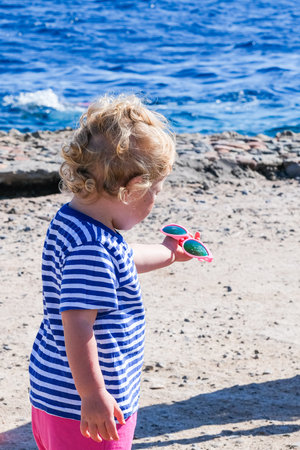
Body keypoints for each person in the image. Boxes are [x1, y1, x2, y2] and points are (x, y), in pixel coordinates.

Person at [29, 94, 192, 449]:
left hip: (54, 392)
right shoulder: (92, 248)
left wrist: (166, 253)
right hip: (86, 408)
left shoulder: (76, 222)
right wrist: (94, 394)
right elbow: (78, 322)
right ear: (133, 189)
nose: (154, 202)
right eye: (155, 192)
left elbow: (122, 257)